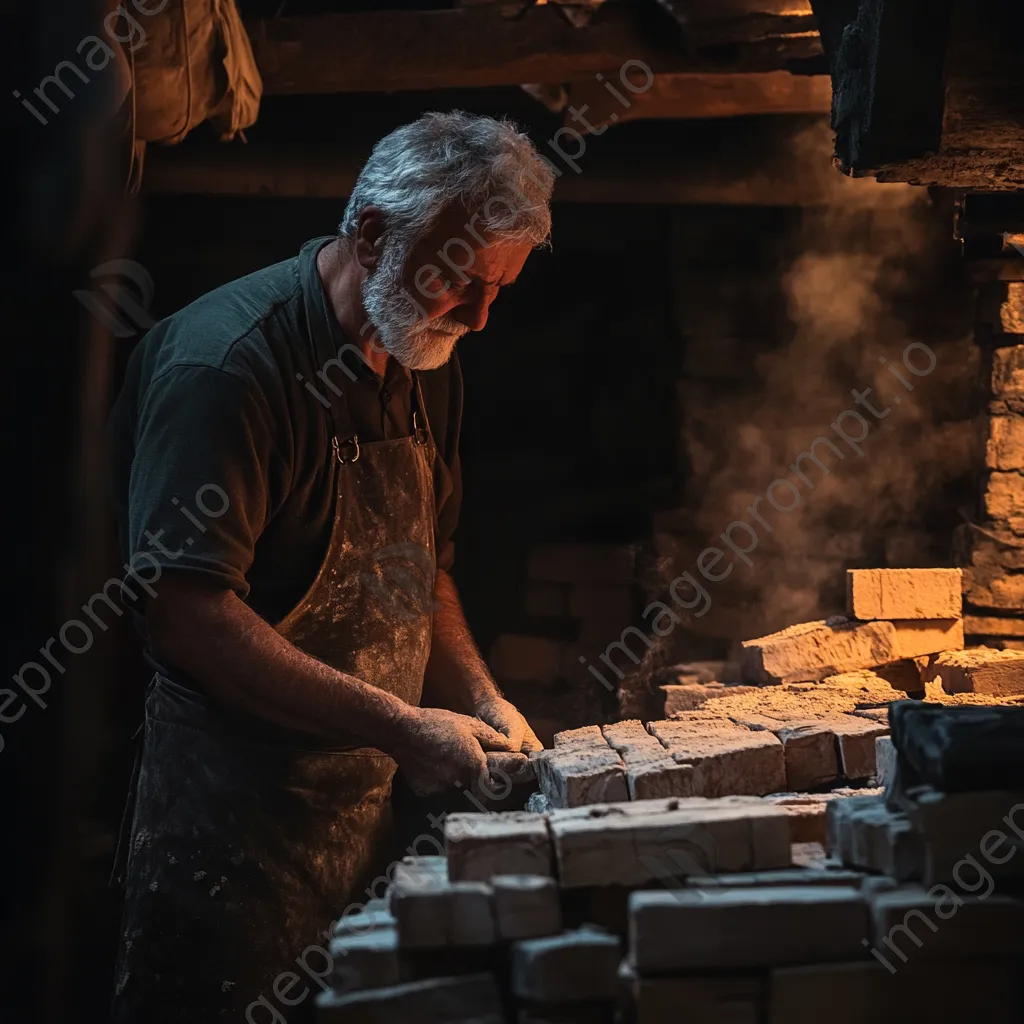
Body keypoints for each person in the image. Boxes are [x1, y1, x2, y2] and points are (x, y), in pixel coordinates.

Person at [108, 111, 553, 1022]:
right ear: (373, 231)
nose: (478, 317)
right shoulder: (226, 368)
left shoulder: (427, 356)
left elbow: (420, 571)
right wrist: (397, 722)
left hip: (364, 808)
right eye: (462, 280)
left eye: (500, 290)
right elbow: (187, 615)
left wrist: (476, 699)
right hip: (228, 827)